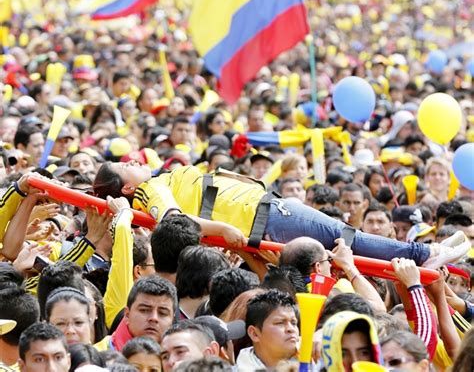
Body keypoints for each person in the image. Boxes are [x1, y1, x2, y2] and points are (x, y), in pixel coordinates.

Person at [93, 162, 469, 269]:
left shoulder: (155, 180)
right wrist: (223, 229)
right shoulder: (149, 190)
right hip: (261, 217)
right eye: (124, 166)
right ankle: (424, 255)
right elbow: (175, 223)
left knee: (341, 239)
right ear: (127, 188)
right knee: (342, 234)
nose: (132, 161)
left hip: (263, 211)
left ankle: (422, 255)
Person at [94, 275, 177, 351]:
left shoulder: (180, 361)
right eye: (144, 310)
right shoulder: (96, 358)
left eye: (162, 313)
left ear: (173, 320)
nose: (154, 318)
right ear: (127, 314)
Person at [236, 289, 298, 370]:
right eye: (280, 323)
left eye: (293, 323)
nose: (291, 329)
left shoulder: (313, 355)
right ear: (254, 334)